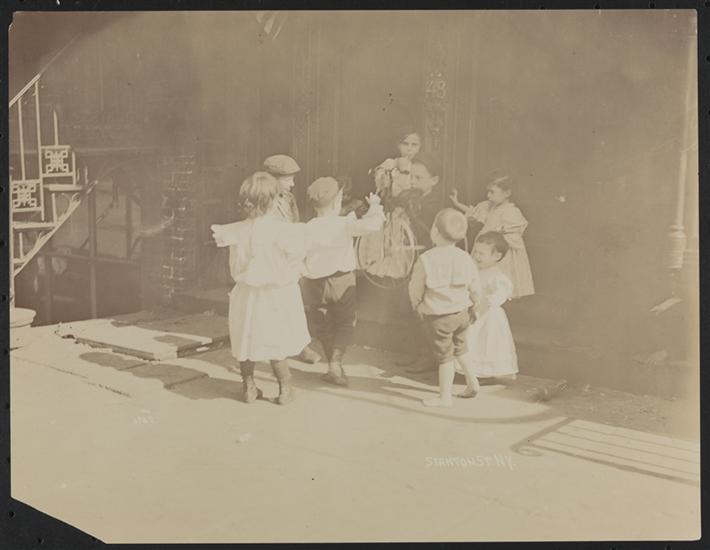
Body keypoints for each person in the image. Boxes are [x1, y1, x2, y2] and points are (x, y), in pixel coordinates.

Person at [210, 172, 310, 405]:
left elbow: (235, 265)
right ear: (274, 201)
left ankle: (249, 386)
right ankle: (285, 388)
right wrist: (293, 273)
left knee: (247, 338)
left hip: (247, 293)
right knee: (276, 339)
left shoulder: (237, 230)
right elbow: (296, 257)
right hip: (276, 293)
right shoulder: (282, 230)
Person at [302, 177, 385, 385]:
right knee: (346, 323)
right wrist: (375, 206)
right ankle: (335, 362)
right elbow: (374, 224)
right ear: (336, 202)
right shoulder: (344, 224)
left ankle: (333, 365)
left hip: (315, 284)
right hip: (342, 281)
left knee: (323, 325)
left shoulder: (307, 227)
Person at [408, 208, 482, 407]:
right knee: (461, 349)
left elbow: (415, 287)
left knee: (445, 357)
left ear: (435, 232)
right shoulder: (465, 257)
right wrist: (475, 303)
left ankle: (445, 397)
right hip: (462, 313)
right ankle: (473, 383)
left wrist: (417, 304)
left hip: (439, 317)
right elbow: (475, 284)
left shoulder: (426, 259)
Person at [450, 171, 534, 299]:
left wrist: (500, 232)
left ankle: (499, 297)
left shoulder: (511, 211)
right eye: (488, 191)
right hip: (486, 247)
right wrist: (457, 203)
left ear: (507, 193)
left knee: (498, 280)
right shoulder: (489, 207)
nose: (488, 195)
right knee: (482, 276)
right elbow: (474, 212)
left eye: (492, 192)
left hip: (500, 252)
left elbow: (514, 234)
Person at [460, 231, 518, 382]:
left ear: (496, 256)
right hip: (472, 311)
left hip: (487, 315)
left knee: (485, 343)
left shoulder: (496, 276)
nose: (476, 256)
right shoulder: (474, 271)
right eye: (475, 251)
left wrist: (484, 305)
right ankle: (468, 372)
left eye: (482, 253)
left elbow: (499, 295)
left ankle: (485, 373)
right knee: (471, 341)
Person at [371, 128, 422, 200]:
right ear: (398, 145)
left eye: (414, 145)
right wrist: (383, 172)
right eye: (405, 144)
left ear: (419, 147)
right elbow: (378, 186)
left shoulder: (422, 167)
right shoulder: (390, 163)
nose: (409, 149)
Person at [263, 154, 301, 223]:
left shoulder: (290, 198)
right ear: (272, 180)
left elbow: (295, 223)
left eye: (293, 179)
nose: (292, 184)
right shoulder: (261, 199)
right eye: (287, 180)